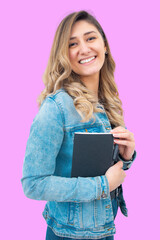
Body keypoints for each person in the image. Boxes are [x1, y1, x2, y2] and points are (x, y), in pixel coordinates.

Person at [21, 10, 136, 240]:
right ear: (64, 55)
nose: (84, 49)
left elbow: (103, 168)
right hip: (68, 236)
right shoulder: (56, 108)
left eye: (90, 38)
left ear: (105, 45)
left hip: (103, 231)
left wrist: (126, 156)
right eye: (73, 43)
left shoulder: (108, 101)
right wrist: (102, 186)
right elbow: (33, 184)